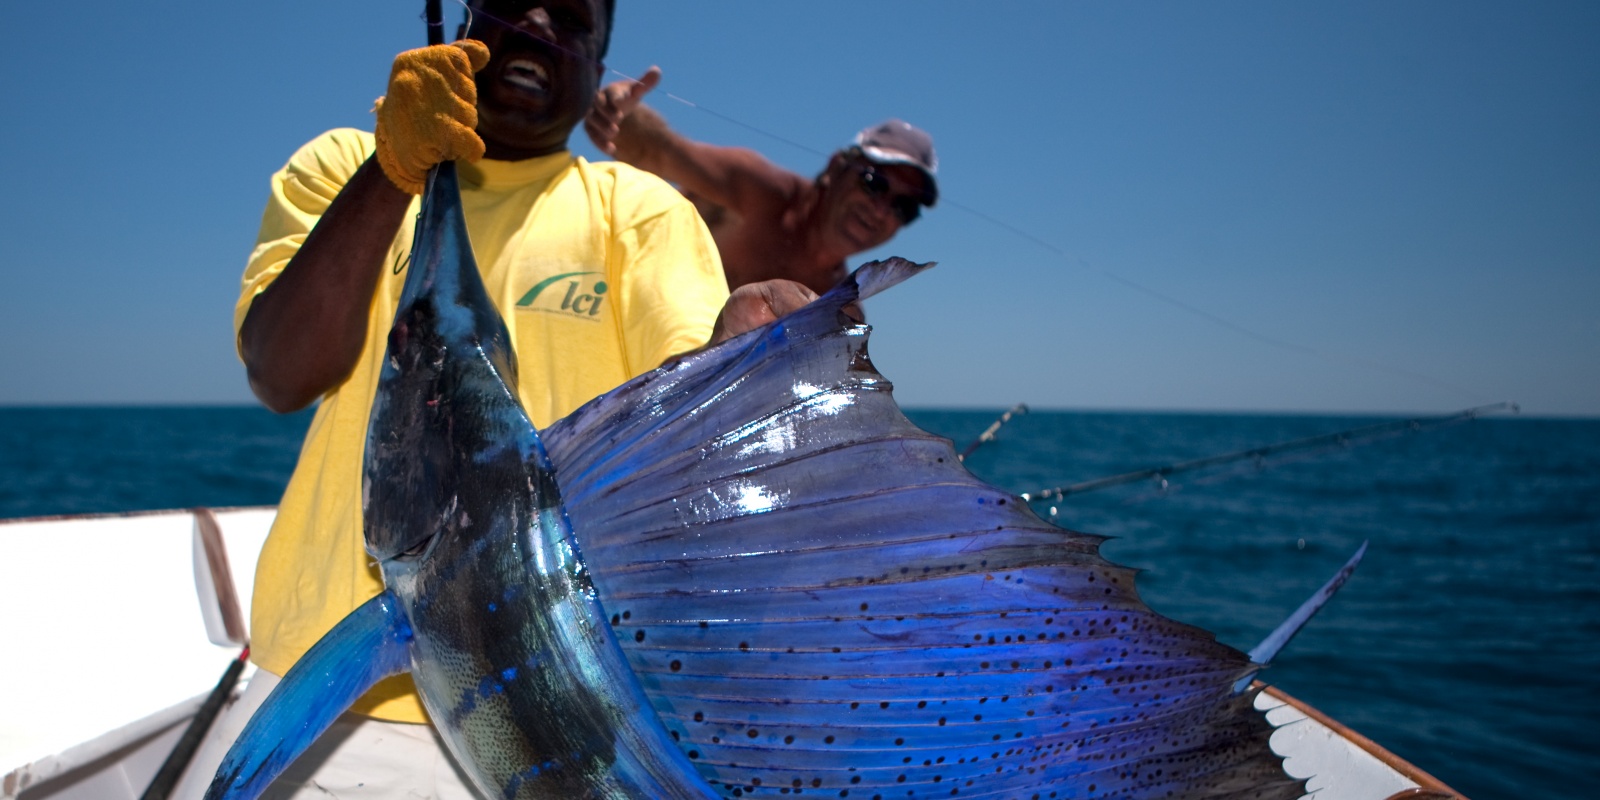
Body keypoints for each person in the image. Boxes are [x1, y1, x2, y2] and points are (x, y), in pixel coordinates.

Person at [173, 2, 814, 797]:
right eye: (514, 0)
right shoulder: (345, 163)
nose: (542, 19)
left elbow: (684, 416)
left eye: (574, 19)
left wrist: (741, 359)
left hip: (579, 715)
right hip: (333, 712)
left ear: (598, 63)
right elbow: (282, 372)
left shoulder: (638, 208)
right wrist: (391, 170)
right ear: (470, 17)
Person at [585, 67, 938, 294]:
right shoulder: (759, 194)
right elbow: (657, 151)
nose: (881, 209)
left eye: (904, 207)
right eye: (874, 182)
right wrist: (614, 114)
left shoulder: (838, 306)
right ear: (834, 168)